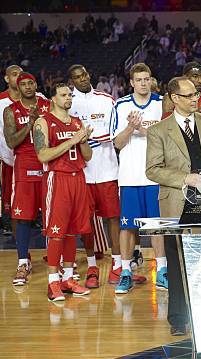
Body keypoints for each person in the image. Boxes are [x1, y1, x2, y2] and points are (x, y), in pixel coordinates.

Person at [146, 76, 201, 336]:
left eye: (196, 94)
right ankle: (178, 318)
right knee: (178, 260)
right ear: (174, 98)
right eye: (189, 95)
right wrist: (186, 178)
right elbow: (153, 170)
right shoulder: (158, 130)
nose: (195, 98)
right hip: (177, 204)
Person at [32, 83, 93, 301]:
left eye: (70, 95)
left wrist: (83, 141)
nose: (69, 98)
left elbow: (87, 156)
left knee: (72, 231)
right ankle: (52, 282)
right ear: (53, 98)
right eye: (64, 95)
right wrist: (72, 140)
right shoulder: (43, 122)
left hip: (78, 178)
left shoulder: (77, 122)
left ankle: (68, 278)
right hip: (56, 179)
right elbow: (42, 155)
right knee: (56, 231)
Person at [110, 63, 165, 294]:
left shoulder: (162, 104)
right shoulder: (120, 106)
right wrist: (130, 128)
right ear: (131, 82)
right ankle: (125, 272)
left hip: (155, 175)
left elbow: (167, 141)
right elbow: (117, 143)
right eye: (139, 79)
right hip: (130, 176)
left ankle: (162, 271)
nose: (144, 83)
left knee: (157, 226)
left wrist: (141, 128)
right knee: (128, 227)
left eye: (147, 79)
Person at [68, 64, 122, 289]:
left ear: (89, 75)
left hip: (108, 168)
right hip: (83, 171)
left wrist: (87, 138)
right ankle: (91, 265)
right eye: (77, 77)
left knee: (113, 218)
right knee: (86, 220)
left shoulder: (107, 100)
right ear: (71, 81)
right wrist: (83, 138)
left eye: (85, 74)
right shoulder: (69, 103)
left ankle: (118, 264)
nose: (82, 79)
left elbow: (114, 133)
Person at [3, 72, 50, 286]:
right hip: (24, 165)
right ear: (18, 87)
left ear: (36, 84)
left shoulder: (48, 104)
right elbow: (12, 142)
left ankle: (57, 260)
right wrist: (30, 123)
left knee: (53, 213)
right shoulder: (10, 110)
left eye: (31, 83)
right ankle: (23, 262)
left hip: (48, 162)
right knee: (23, 217)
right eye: (24, 84)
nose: (28, 87)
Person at [162, 62, 201, 138]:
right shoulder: (171, 98)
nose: (200, 80)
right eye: (195, 76)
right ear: (185, 77)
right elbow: (166, 128)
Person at [0, 65, 24, 236]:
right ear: (7, 79)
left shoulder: (37, 99)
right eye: (14, 75)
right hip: (9, 162)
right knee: (15, 208)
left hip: (35, 160)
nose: (19, 77)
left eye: (21, 75)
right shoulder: (1, 102)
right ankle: (21, 254)